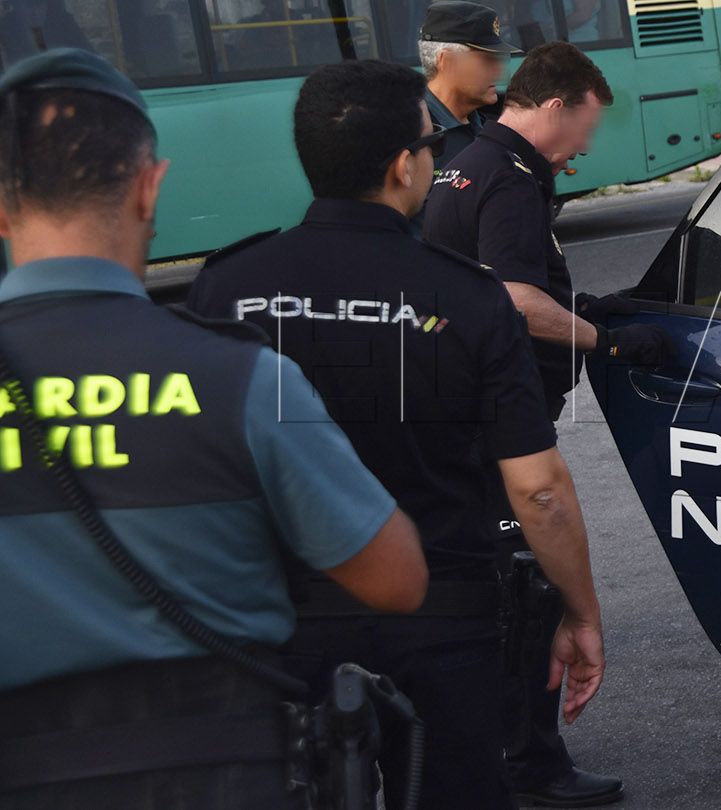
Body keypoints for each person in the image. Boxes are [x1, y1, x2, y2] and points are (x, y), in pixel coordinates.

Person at [0, 48, 428, 809]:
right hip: (225, 772)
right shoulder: (242, 376)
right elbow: (396, 579)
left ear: (2, 205)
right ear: (147, 186)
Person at [187, 59, 608, 809]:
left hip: (280, 618)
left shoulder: (227, 285)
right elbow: (537, 489)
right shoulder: (467, 298)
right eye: (430, 147)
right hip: (442, 619)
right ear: (400, 167)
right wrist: (579, 612)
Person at [424, 41, 672, 807]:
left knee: (483, 592)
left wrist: (582, 309)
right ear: (556, 105)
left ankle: (485, 750)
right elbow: (513, 299)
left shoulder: (464, 161)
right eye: (587, 126)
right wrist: (610, 339)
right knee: (526, 594)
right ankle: (529, 763)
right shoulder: (510, 179)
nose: (588, 145)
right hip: (493, 415)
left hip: (452, 405)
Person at [418, 0, 519, 174]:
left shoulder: (493, 125)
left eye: (500, 60)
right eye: (487, 60)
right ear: (447, 61)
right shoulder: (414, 133)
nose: (498, 70)